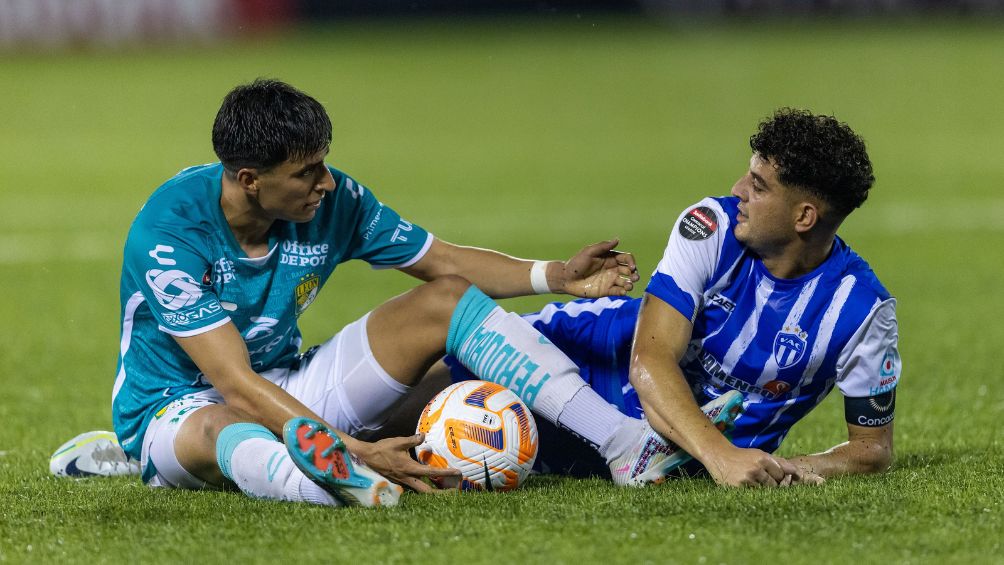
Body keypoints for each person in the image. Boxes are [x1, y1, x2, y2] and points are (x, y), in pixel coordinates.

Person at [81, 79, 742, 508]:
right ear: (250, 180)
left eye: (324, 162)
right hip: (183, 410)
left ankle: (627, 443)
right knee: (220, 424)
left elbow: (443, 261)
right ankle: (341, 480)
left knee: (447, 302)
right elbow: (232, 381)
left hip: (290, 382)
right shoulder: (168, 234)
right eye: (305, 172)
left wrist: (557, 276)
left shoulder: (332, 200)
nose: (326, 184)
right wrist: (354, 448)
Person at [442, 108, 899, 487]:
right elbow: (650, 361)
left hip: (657, 450)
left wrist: (787, 468)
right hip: (576, 360)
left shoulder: (863, 312)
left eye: (759, 187)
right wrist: (721, 456)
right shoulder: (711, 226)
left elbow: (871, 451)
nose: (738, 190)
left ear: (804, 217)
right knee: (396, 403)